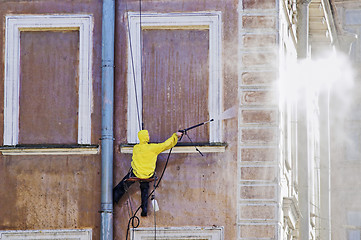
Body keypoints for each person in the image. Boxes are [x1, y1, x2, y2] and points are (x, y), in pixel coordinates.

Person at [113, 129, 183, 216]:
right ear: (146, 137)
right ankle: (144, 210)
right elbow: (166, 145)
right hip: (148, 175)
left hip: (137, 174)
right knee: (144, 188)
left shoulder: (136, 148)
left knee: (124, 184)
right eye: (148, 135)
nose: (149, 137)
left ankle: (113, 198)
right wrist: (175, 136)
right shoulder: (152, 148)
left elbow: (134, 161)